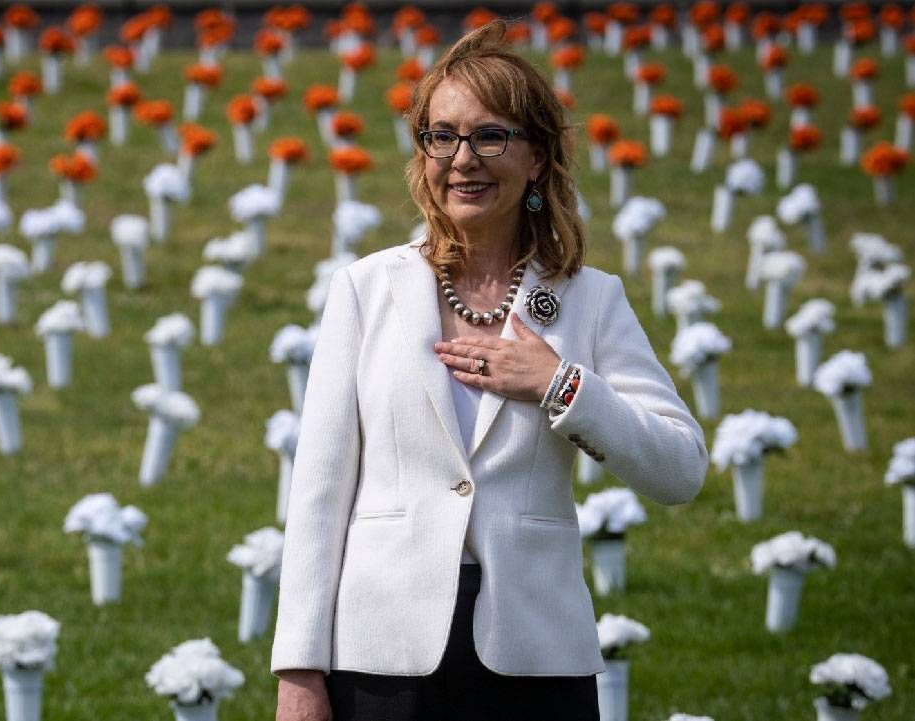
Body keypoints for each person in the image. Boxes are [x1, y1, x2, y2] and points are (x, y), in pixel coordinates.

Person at [271, 20, 708, 721]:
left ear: (537, 156)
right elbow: (318, 494)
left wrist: (560, 384)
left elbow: (679, 469)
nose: (462, 158)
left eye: (489, 135)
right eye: (440, 136)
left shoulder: (589, 301)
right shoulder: (364, 288)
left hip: (534, 655)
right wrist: (298, 670)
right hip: (380, 657)